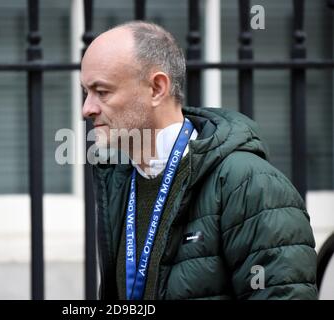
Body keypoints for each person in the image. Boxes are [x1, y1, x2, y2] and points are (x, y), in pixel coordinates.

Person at [80, 21, 318, 300]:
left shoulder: (249, 183)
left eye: (102, 92)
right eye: (86, 92)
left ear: (157, 88)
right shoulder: (119, 180)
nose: (87, 109)